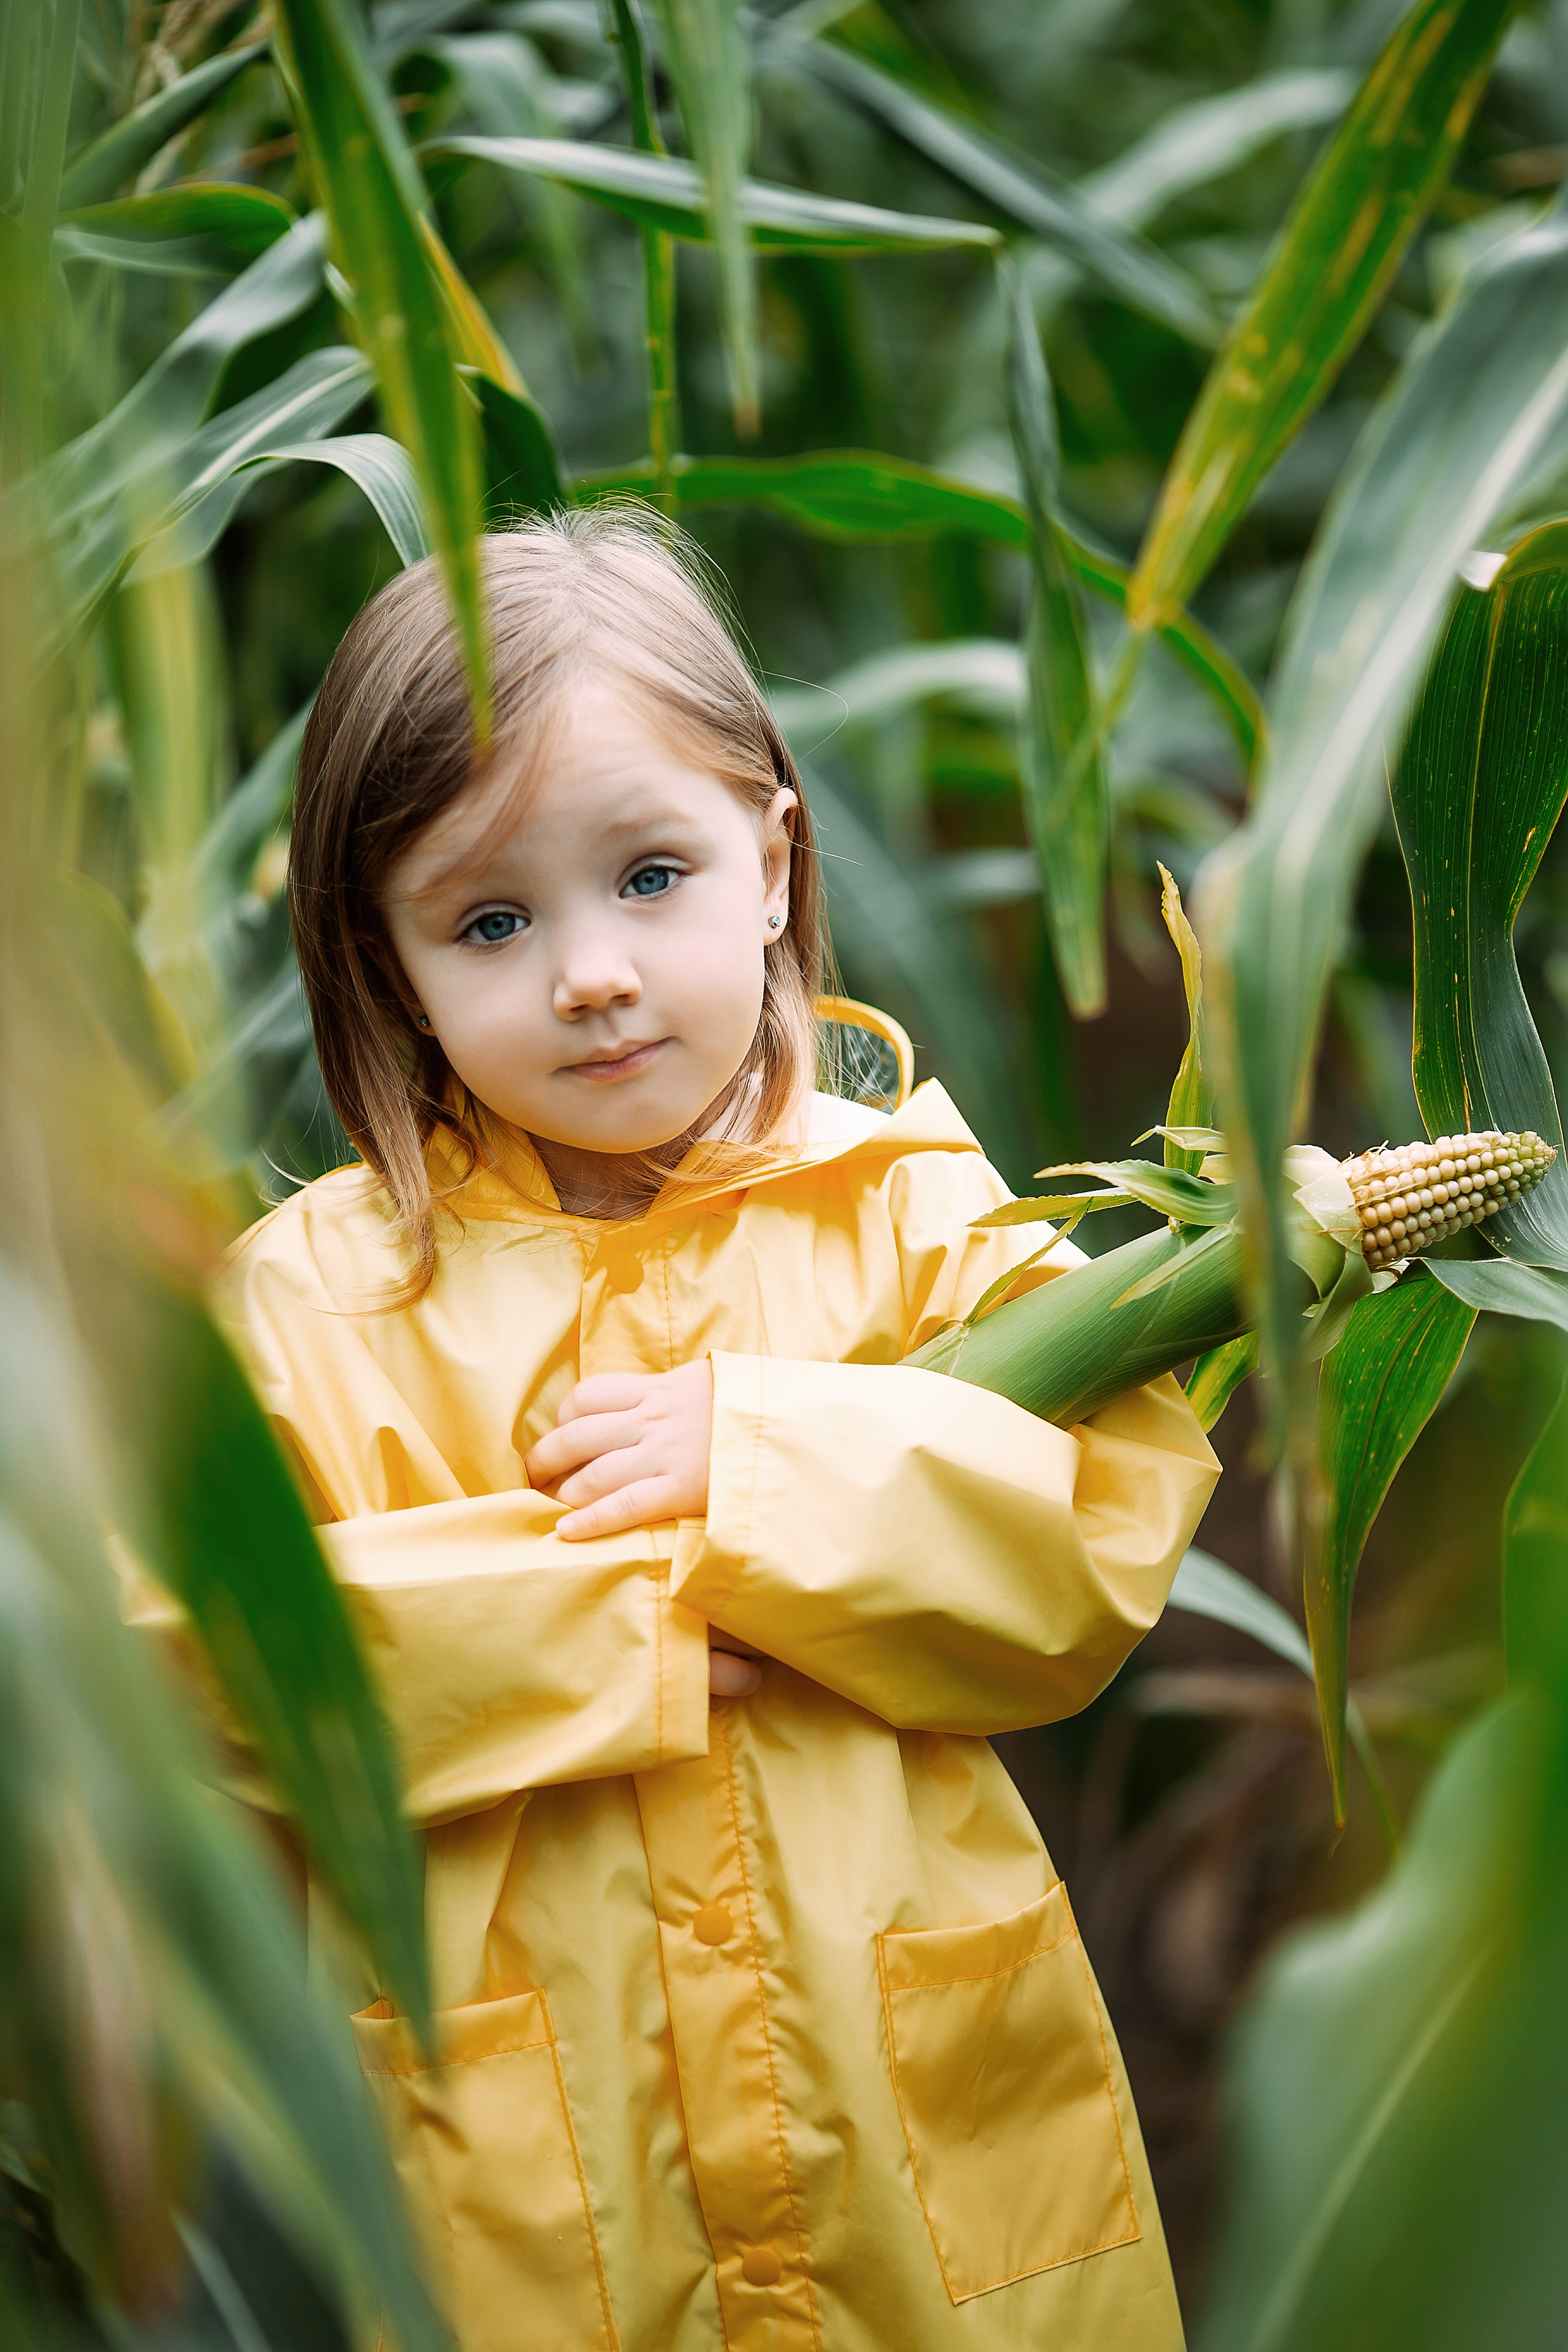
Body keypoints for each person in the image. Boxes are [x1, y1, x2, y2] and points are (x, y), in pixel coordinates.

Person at [215, 509, 1219, 2352]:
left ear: (772, 862)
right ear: (389, 958)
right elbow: (214, 1662)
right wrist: (624, 1612)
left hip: (913, 2140)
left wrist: (761, 1470)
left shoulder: (906, 1206)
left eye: (650, 876)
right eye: (493, 921)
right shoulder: (316, 1306)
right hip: (540, 2187)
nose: (589, 971)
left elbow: (1093, 1528)